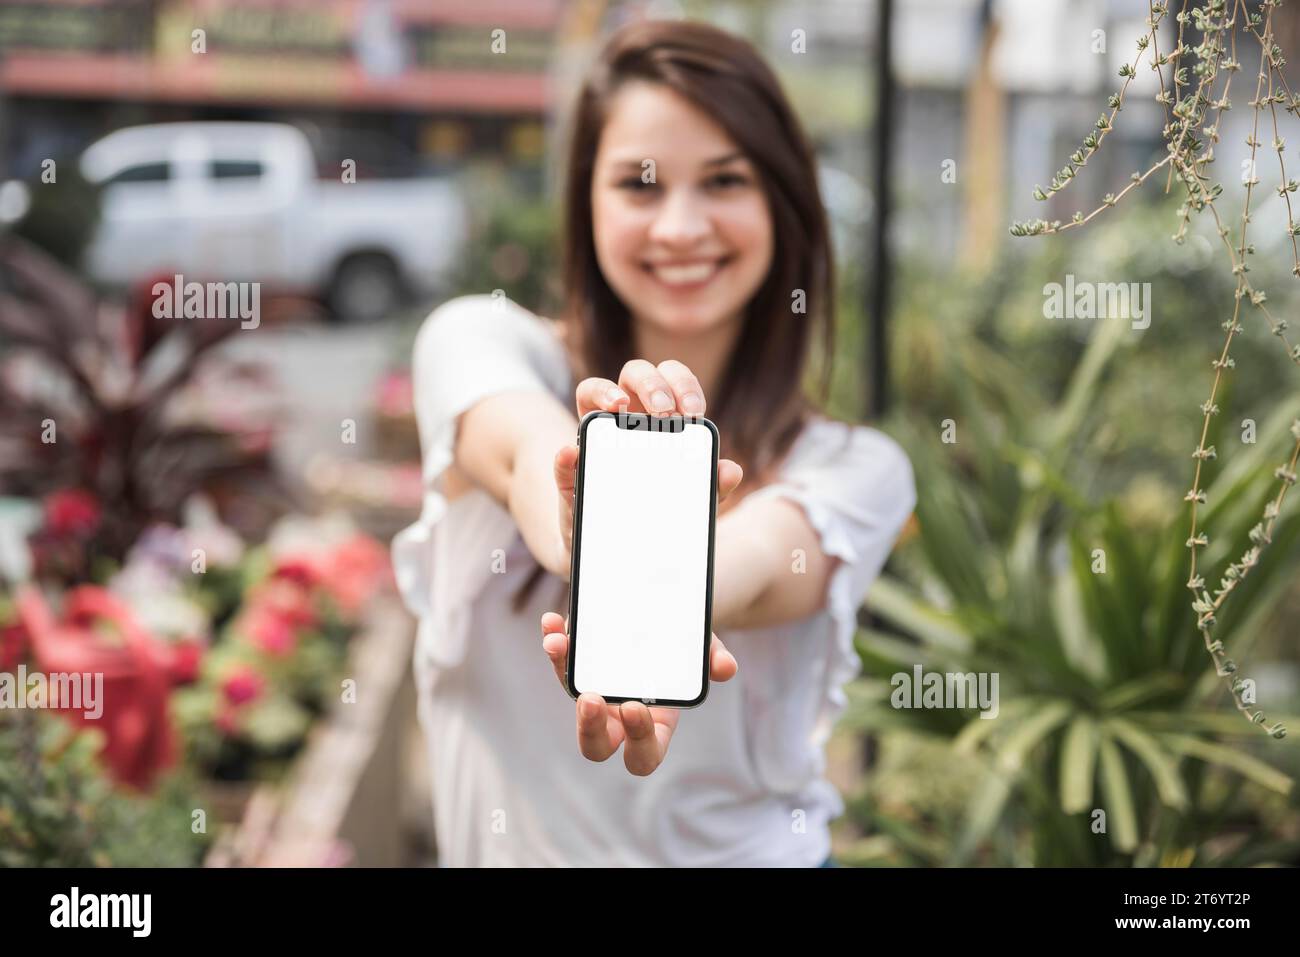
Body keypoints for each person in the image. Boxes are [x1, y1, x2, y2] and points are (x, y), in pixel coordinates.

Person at [392, 17, 915, 867]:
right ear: (586, 201)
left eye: (723, 180)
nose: (679, 226)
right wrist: (582, 515)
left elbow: (751, 563)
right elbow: (528, 453)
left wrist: (676, 584)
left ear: (782, 204)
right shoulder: (477, 340)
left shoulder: (860, 468)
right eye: (639, 184)